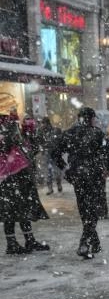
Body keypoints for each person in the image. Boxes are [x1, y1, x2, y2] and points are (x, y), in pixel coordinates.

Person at [54, 107, 109, 259]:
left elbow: (55, 152)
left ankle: (94, 241)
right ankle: (85, 243)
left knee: (84, 208)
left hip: (77, 175)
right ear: (92, 118)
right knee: (93, 210)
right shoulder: (97, 133)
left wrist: (66, 169)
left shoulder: (70, 133)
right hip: (94, 175)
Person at [1, 107, 50, 255]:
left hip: (17, 177)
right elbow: (11, 146)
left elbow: (33, 149)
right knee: (11, 211)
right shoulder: (8, 137)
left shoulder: (16, 138)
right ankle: (14, 243)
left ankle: (26, 240)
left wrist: (29, 133)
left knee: (18, 210)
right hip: (11, 178)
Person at [38, 118, 63, 194]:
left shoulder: (55, 130)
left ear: (47, 123)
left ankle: (59, 185)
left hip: (54, 154)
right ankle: (50, 188)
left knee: (56, 171)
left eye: (43, 123)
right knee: (48, 172)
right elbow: (39, 141)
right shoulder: (40, 132)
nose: (42, 125)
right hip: (46, 153)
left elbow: (59, 140)